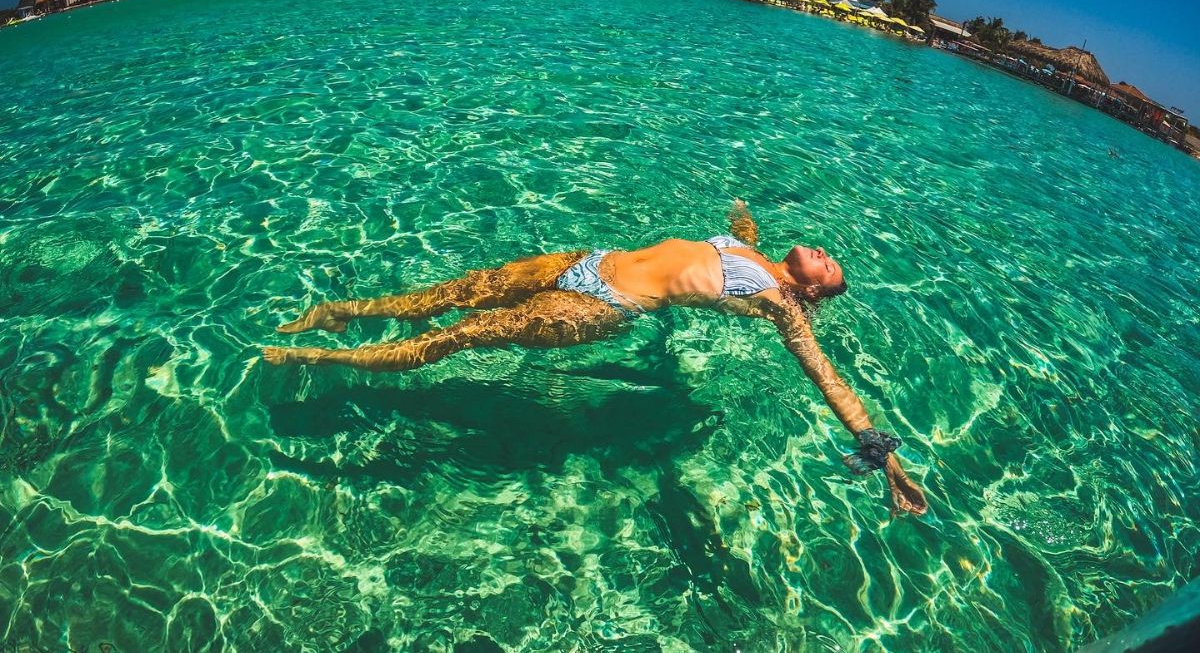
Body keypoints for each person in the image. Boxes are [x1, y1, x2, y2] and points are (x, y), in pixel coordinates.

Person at [263, 200, 928, 515]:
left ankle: (322, 355)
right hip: (587, 260)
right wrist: (744, 220)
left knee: (461, 335)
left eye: (829, 267)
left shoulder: (783, 307)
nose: (825, 253)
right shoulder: (753, 249)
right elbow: (727, 247)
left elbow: (828, 380)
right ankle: (342, 314)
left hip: (599, 308)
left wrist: (885, 459)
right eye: (828, 255)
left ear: (811, 290)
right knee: (451, 294)